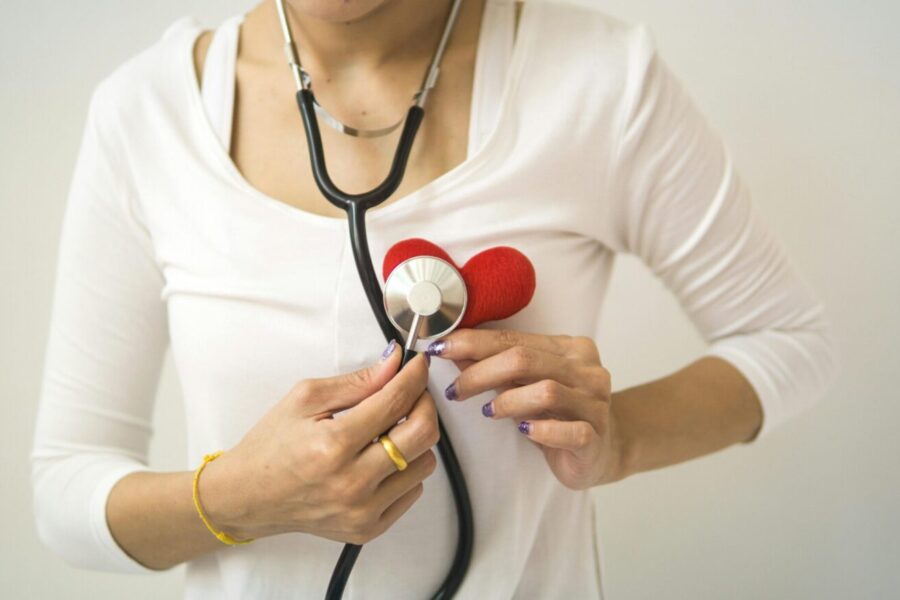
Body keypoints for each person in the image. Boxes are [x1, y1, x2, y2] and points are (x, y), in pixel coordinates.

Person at [31, 0, 838, 598]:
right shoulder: (147, 114)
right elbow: (64, 491)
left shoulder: (599, 79)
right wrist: (242, 498)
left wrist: (617, 436)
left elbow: (789, 340)